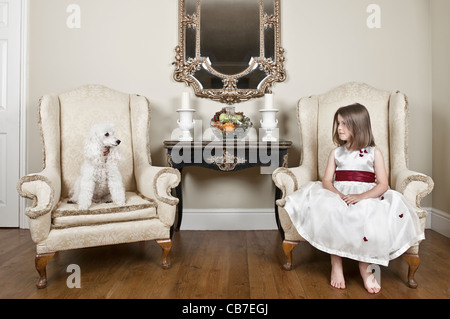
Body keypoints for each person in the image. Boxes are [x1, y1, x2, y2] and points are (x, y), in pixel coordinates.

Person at [283, 103, 424, 294]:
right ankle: (336, 264)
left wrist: (361, 196)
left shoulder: (374, 152)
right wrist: (338, 195)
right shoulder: (336, 152)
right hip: (338, 192)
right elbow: (326, 180)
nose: (339, 128)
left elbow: (383, 184)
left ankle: (365, 268)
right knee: (331, 209)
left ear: (358, 126)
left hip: (367, 193)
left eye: (344, 124)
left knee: (366, 213)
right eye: (338, 123)